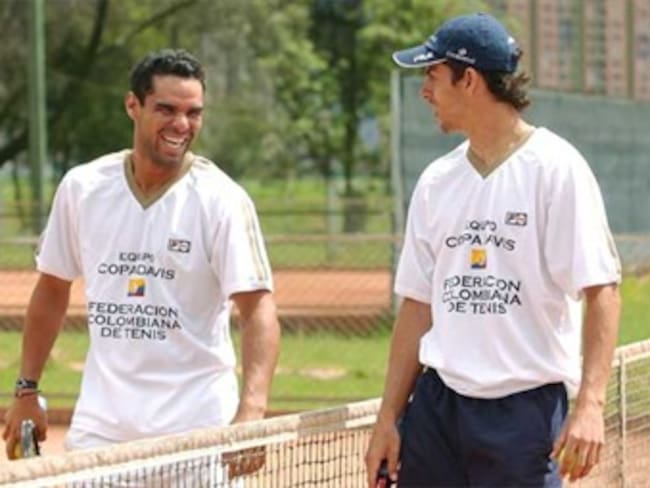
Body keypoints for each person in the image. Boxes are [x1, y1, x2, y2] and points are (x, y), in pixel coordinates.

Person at [365, 12, 621, 488]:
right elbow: (417, 305)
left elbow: (602, 290)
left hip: (524, 413)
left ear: (469, 80)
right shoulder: (437, 181)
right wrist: (388, 417)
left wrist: (590, 404)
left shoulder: (556, 169)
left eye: (432, 75)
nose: (425, 91)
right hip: (438, 408)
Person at [3, 49, 281, 471]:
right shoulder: (83, 188)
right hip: (101, 435)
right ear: (133, 105)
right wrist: (27, 390)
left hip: (198, 436)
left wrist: (252, 414)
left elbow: (258, 310)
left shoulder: (222, 199)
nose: (181, 125)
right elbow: (52, 288)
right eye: (166, 109)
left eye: (193, 113)